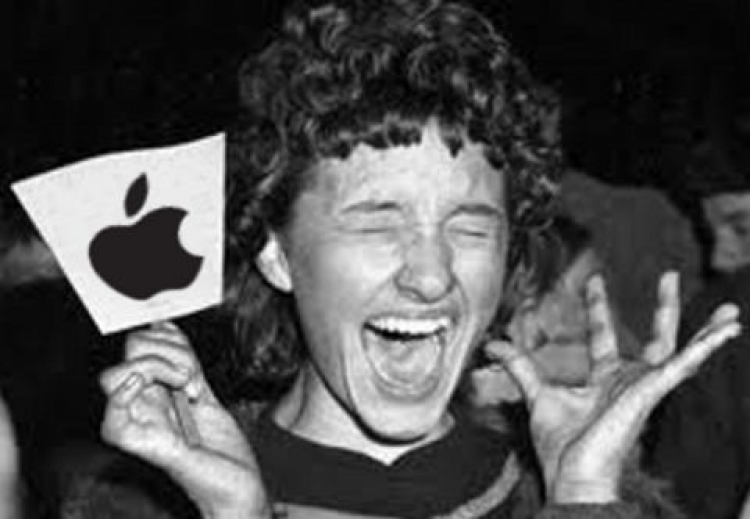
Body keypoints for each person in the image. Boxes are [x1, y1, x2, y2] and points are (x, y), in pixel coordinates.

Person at [98, 1, 741, 518]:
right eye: (378, 223)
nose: (432, 276)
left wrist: (585, 492)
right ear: (276, 253)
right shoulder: (147, 500)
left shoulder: (561, 492)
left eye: (471, 227)